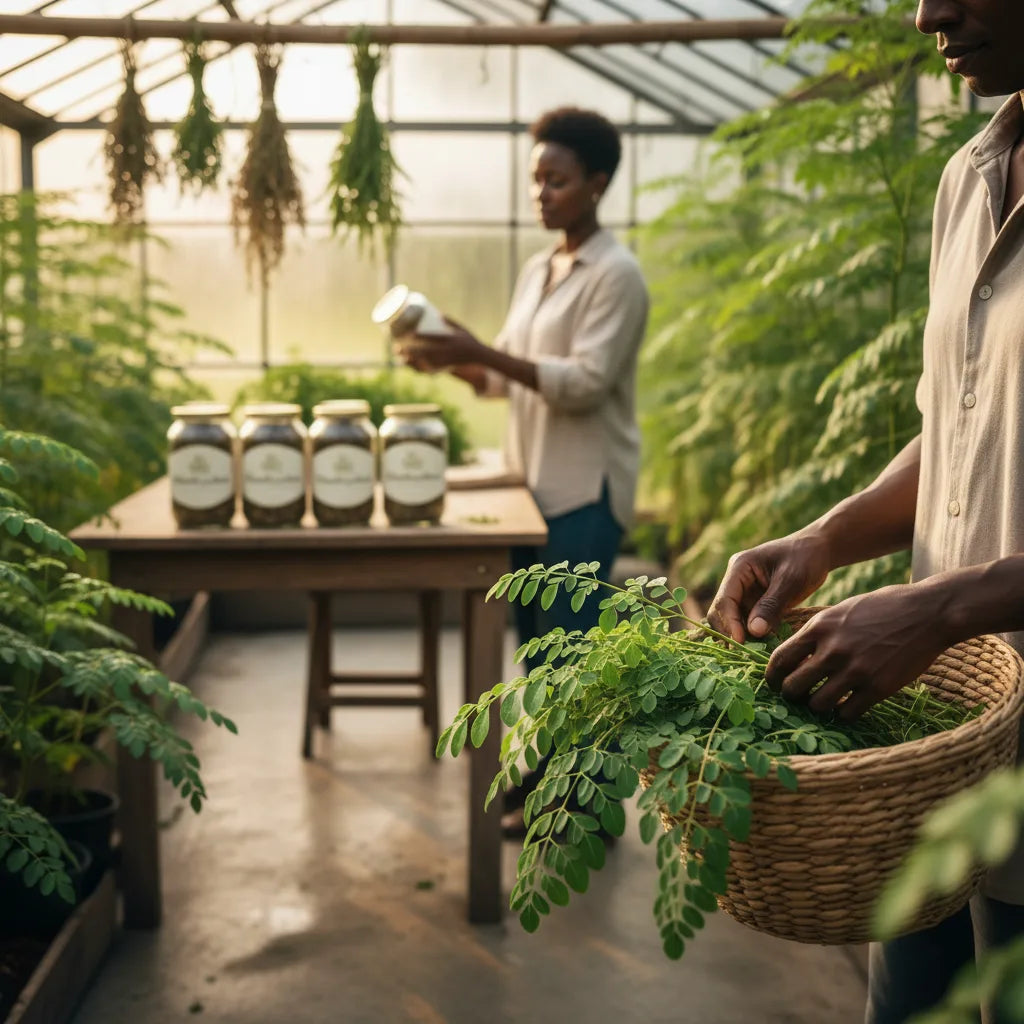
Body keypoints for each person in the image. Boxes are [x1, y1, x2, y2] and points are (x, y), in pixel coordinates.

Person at [705, 2, 1024, 1021]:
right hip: (940, 742)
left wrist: (937, 609)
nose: (930, 12)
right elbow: (959, 422)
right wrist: (825, 537)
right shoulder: (969, 175)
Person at [398, 107, 649, 833]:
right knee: (538, 652)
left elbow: (583, 382)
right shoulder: (541, 268)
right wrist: (450, 358)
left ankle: (586, 807)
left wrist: (486, 351)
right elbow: (507, 375)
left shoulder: (618, 275)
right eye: (536, 179)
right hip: (530, 489)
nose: (541, 193)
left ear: (597, 184)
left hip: (583, 491)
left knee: (569, 659)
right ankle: (550, 782)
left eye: (558, 180)